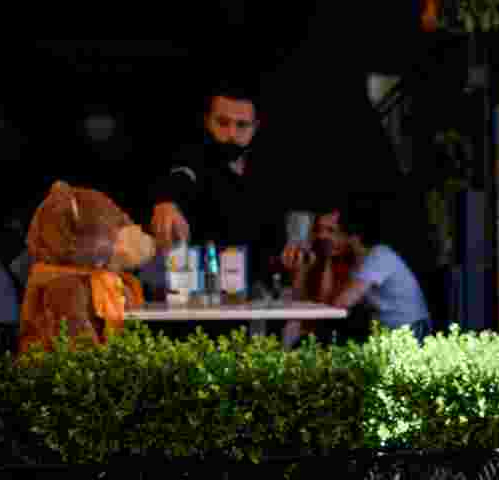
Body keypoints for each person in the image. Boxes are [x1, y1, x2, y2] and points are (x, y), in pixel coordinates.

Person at [145, 80, 281, 300]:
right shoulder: (194, 158)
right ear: (208, 122)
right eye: (222, 122)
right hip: (195, 299)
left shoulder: (268, 173)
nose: (231, 133)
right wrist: (167, 202)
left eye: (241, 125)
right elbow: (182, 175)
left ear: (255, 128)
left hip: (254, 303)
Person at [281, 206, 432, 343]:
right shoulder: (352, 263)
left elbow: (342, 303)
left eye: (331, 231)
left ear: (352, 237)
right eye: (319, 230)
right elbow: (324, 303)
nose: (323, 237)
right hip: (388, 333)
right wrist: (320, 262)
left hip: (411, 331)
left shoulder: (379, 256)